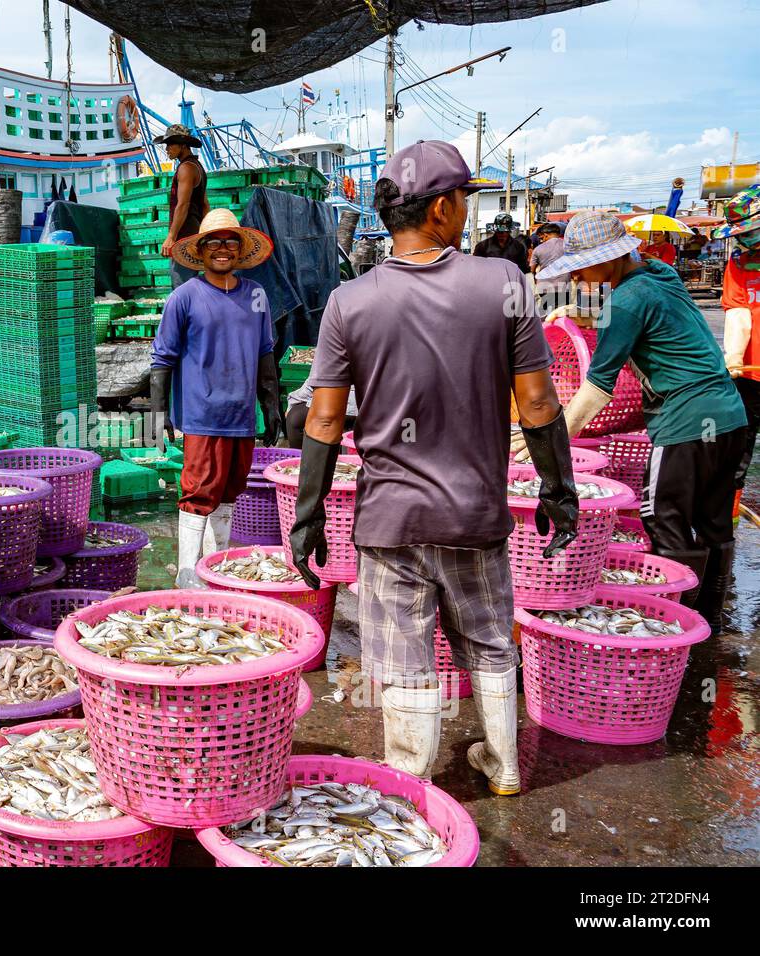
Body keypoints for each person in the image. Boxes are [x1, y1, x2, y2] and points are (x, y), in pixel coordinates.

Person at [290, 140, 577, 795]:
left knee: (401, 652)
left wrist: (308, 520)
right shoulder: (503, 283)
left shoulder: (349, 301)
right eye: (465, 202)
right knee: (488, 642)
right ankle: (504, 766)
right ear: (445, 207)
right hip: (476, 512)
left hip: (390, 520)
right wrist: (560, 491)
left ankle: (411, 778)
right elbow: (537, 401)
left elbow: (325, 421)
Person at [534, 210, 747, 632]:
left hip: (685, 421)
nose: (577, 279)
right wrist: (581, 312)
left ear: (609, 259)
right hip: (730, 417)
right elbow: (645, 315)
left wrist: (550, 443)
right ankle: (709, 622)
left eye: (581, 269)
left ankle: (673, 624)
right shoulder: (659, 274)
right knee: (714, 522)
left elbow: (597, 390)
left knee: (663, 519)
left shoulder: (627, 299)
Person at [151, 208, 282, 586]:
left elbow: (265, 352)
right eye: (214, 243)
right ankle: (187, 573)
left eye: (230, 242)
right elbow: (162, 358)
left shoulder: (256, 296)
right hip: (201, 413)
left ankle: (216, 566)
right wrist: (159, 413)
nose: (222, 249)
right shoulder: (184, 297)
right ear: (201, 250)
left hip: (240, 416)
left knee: (229, 491)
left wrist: (271, 404)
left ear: (240, 251)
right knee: (198, 492)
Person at [715, 185, 760, 502]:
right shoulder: (740, 262)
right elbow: (738, 315)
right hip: (749, 371)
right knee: (738, 445)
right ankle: (724, 522)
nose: (746, 240)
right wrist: (732, 358)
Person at [153, 123, 210, 289]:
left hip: (185, 238)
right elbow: (205, 204)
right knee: (191, 287)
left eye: (171, 144)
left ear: (183, 145)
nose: (167, 149)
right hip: (194, 235)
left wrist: (171, 236)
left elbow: (183, 205)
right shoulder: (197, 167)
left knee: (181, 288)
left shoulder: (186, 168)